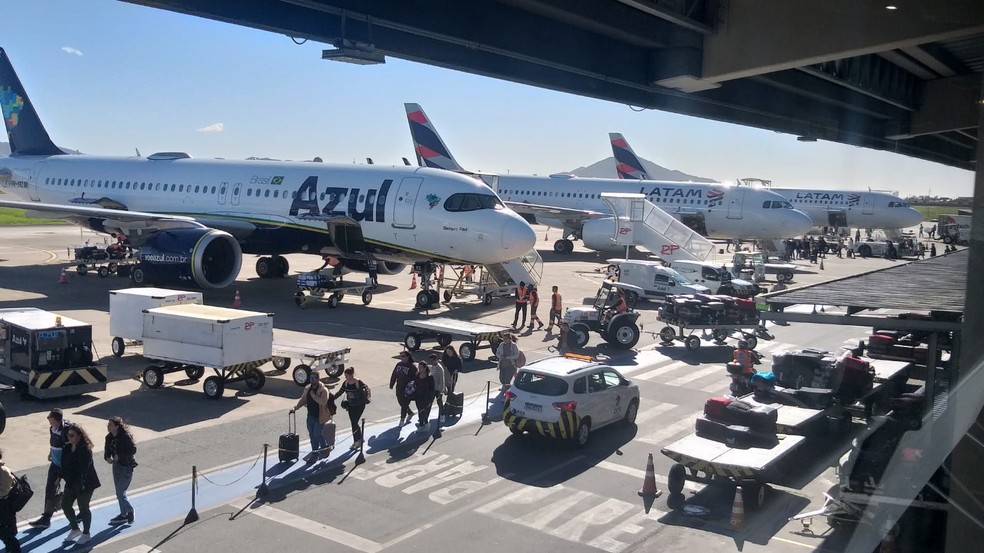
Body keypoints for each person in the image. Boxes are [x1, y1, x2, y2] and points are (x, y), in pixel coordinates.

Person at [29, 409, 70, 529]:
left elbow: (70, 448)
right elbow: (53, 442)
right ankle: (46, 516)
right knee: (50, 488)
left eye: (50, 419)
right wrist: (51, 452)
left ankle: (81, 511)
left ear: (57, 419)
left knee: (72, 489)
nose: (49, 421)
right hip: (55, 463)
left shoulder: (67, 430)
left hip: (65, 465)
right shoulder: (52, 428)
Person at [61, 423, 101, 545]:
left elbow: (83, 468)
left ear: (79, 435)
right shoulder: (67, 448)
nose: (69, 438)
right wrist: (59, 477)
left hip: (85, 484)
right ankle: (75, 528)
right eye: (68, 435)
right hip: (71, 482)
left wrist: (80, 485)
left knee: (83, 508)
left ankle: (86, 533)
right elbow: (63, 464)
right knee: (65, 505)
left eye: (72, 435)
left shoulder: (85, 450)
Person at [291, 371, 331, 463]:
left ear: (318, 379)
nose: (312, 380)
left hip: (320, 416)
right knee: (312, 436)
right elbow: (303, 399)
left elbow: (323, 402)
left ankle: (325, 447)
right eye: (310, 378)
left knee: (317, 434)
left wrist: (314, 396)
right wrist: (296, 408)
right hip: (310, 416)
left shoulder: (323, 390)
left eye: (314, 378)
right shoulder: (307, 388)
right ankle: (315, 454)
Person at [104, 416, 137, 525]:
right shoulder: (109, 437)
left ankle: (129, 510)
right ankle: (123, 514)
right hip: (116, 466)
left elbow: (133, 449)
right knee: (120, 493)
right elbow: (107, 451)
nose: (108, 427)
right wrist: (107, 457)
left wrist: (120, 455)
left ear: (117, 426)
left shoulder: (125, 437)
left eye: (110, 425)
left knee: (120, 492)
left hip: (126, 466)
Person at [331, 368, 370, 450]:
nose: (345, 377)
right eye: (345, 376)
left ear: (351, 375)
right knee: (354, 423)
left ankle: (357, 441)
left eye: (347, 375)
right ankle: (359, 439)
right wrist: (332, 398)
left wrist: (367, 397)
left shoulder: (358, 382)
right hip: (351, 405)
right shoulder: (345, 383)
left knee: (354, 422)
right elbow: (340, 392)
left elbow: (366, 389)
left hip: (359, 405)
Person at [0, 449, 21, 553]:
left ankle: (14, 548)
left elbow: (4, 491)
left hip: (3, 504)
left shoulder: (3, 471)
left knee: (6, 531)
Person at [389, 351, 418, 425]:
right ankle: (410, 412)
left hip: (407, 389)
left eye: (403, 356)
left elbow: (416, 377)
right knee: (401, 402)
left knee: (404, 404)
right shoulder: (398, 364)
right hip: (399, 386)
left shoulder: (412, 366)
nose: (401, 358)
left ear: (408, 357)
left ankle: (402, 419)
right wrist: (391, 383)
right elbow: (394, 374)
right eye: (400, 356)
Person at [409, 362, 436, 430]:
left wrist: (431, 399)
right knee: (420, 410)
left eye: (421, 367)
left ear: (425, 368)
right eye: (419, 367)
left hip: (426, 397)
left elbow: (432, 389)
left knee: (424, 411)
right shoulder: (417, 375)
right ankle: (421, 423)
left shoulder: (429, 377)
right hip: (418, 396)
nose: (420, 369)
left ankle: (426, 423)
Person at [426, 354, 450, 423]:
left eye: (432, 360)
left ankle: (442, 415)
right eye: (430, 361)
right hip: (432, 388)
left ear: (436, 360)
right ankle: (425, 417)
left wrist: (441, 390)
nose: (431, 362)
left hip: (438, 389)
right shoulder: (432, 367)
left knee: (439, 403)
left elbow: (442, 380)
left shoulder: (440, 369)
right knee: (429, 403)